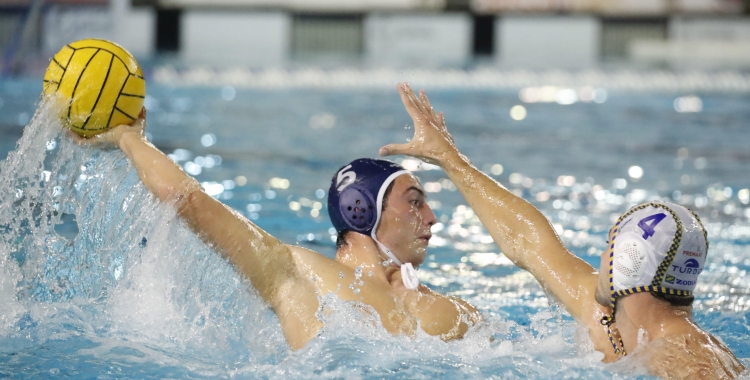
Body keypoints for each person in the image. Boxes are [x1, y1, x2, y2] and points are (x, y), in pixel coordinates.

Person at [374, 84, 744, 378]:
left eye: (608, 247)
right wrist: (449, 159)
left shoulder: (688, 363)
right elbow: (526, 241)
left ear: (629, 269)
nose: (600, 258)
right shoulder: (611, 316)